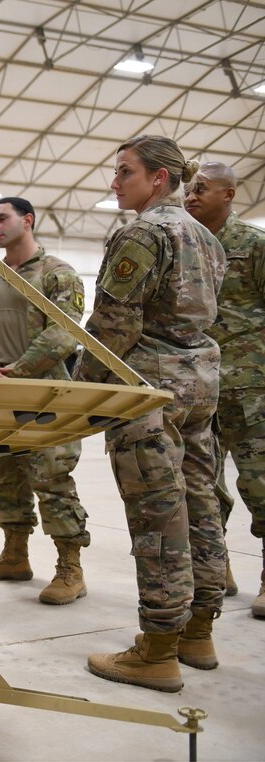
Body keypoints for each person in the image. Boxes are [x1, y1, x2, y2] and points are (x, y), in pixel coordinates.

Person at [74, 135, 227, 691]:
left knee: (158, 518)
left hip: (150, 391)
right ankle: (199, 632)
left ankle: (157, 649)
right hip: (199, 382)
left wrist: (81, 396)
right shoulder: (206, 238)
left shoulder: (143, 232)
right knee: (201, 504)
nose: (114, 182)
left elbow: (115, 326)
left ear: (159, 178)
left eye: (124, 172)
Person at [0, 197, 90, 606]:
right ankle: (15, 555)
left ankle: (71, 569)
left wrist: (17, 372)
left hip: (43, 387)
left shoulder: (58, 274)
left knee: (51, 477)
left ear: (28, 221)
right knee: (1, 475)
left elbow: (64, 333)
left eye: (2, 218)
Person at [185, 162, 265, 618]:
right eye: (188, 190)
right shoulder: (188, 245)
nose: (191, 196)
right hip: (199, 387)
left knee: (260, 482)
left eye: (201, 189)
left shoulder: (254, 245)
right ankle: (218, 569)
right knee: (202, 487)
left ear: (229, 194)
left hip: (250, 387)